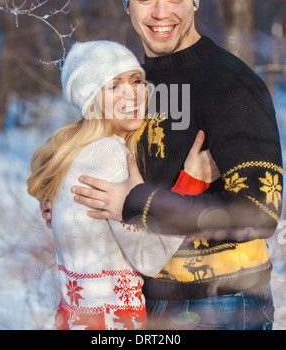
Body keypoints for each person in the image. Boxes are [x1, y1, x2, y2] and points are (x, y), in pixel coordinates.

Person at [67, 0, 283, 330]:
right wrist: (65, 199)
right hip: (148, 302)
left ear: (195, 2)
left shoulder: (233, 86)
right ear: (127, 5)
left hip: (225, 305)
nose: (161, 13)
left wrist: (138, 202)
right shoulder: (135, 86)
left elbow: (259, 212)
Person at [29, 39, 219, 330]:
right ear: (91, 99)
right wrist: (190, 185)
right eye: (115, 86)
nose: (132, 94)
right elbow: (149, 258)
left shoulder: (73, 153)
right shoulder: (109, 154)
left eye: (136, 80)